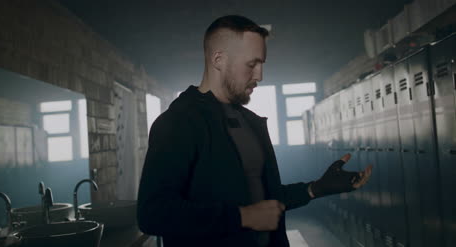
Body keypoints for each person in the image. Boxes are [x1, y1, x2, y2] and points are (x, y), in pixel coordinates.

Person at [137, 15, 373, 247]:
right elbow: (153, 214)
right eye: (252, 64)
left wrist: (315, 188)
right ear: (218, 59)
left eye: (261, 64)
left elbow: (260, 199)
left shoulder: (249, 121)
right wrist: (242, 217)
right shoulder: (178, 123)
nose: (260, 75)